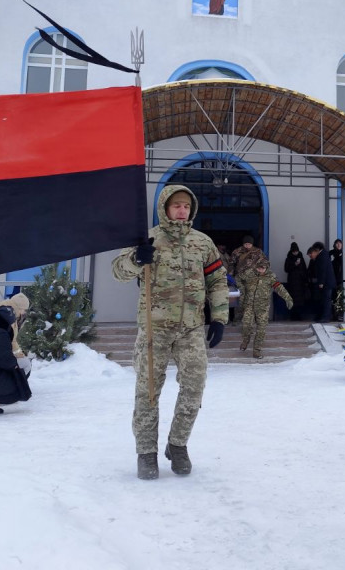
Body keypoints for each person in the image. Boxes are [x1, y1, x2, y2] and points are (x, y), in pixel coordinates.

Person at [112, 185, 228, 480]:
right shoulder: (148, 239)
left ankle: (178, 445)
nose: (181, 211)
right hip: (155, 330)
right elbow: (118, 271)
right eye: (176, 205)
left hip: (190, 330)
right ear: (165, 207)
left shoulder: (202, 243)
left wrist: (218, 319)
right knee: (148, 392)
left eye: (186, 207)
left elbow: (217, 281)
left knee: (194, 388)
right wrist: (137, 259)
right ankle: (146, 453)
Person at [238, 264, 293, 359]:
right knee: (246, 325)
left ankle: (257, 351)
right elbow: (238, 279)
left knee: (261, 329)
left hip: (263, 308)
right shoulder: (249, 273)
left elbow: (279, 287)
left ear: (266, 268)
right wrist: (242, 289)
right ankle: (245, 340)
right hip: (249, 306)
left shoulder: (270, 276)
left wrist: (288, 298)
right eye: (259, 268)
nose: (261, 270)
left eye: (263, 268)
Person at [307, 242, 336, 323]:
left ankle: (326, 317)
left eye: (310, 255)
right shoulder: (323, 255)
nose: (311, 257)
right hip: (327, 282)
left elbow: (322, 270)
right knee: (324, 300)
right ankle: (324, 316)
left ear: (314, 251)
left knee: (326, 300)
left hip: (326, 283)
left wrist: (321, 282)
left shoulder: (322, 256)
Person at [283, 242, 309, 321]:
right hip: (292, 283)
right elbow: (286, 269)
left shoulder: (301, 258)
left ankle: (299, 316)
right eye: (294, 251)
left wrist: (306, 281)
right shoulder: (288, 259)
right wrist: (294, 264)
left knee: (300, 301)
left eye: (296, 251)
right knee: (292, 300)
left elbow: (305, 270)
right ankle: (293, 316)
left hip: (301, 283)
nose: (295, 253)